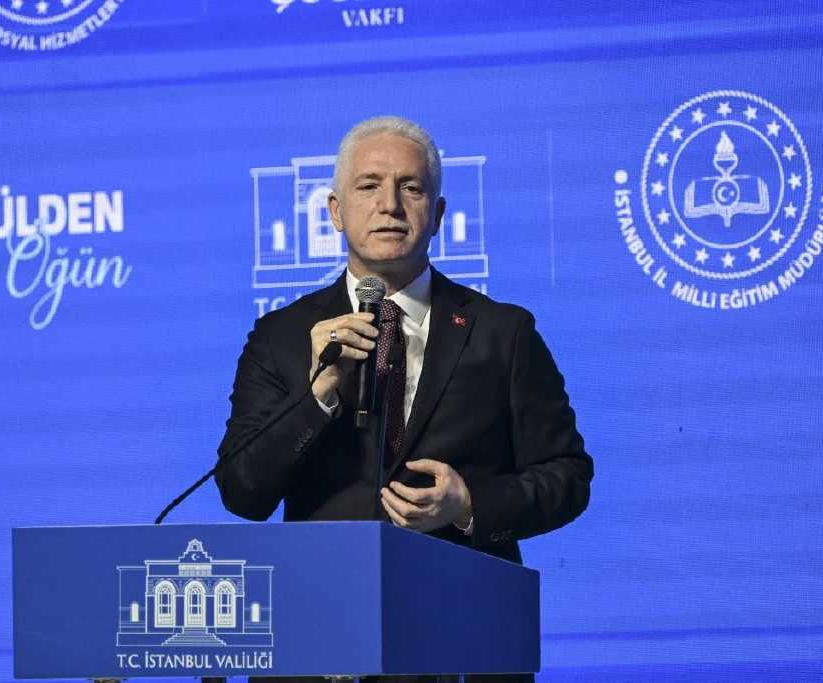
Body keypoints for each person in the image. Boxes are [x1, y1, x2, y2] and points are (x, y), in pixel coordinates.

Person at [216, 116, 593, 683]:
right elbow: (242, 491)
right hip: (318, 643)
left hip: (461, 644)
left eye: (410, 188)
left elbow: (567, 477)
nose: (389, 205)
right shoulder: (281, 337)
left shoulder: (503, 333)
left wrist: (468, 506)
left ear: (437, 214)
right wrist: (316, 397)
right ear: (335, 210)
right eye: (369, 185)